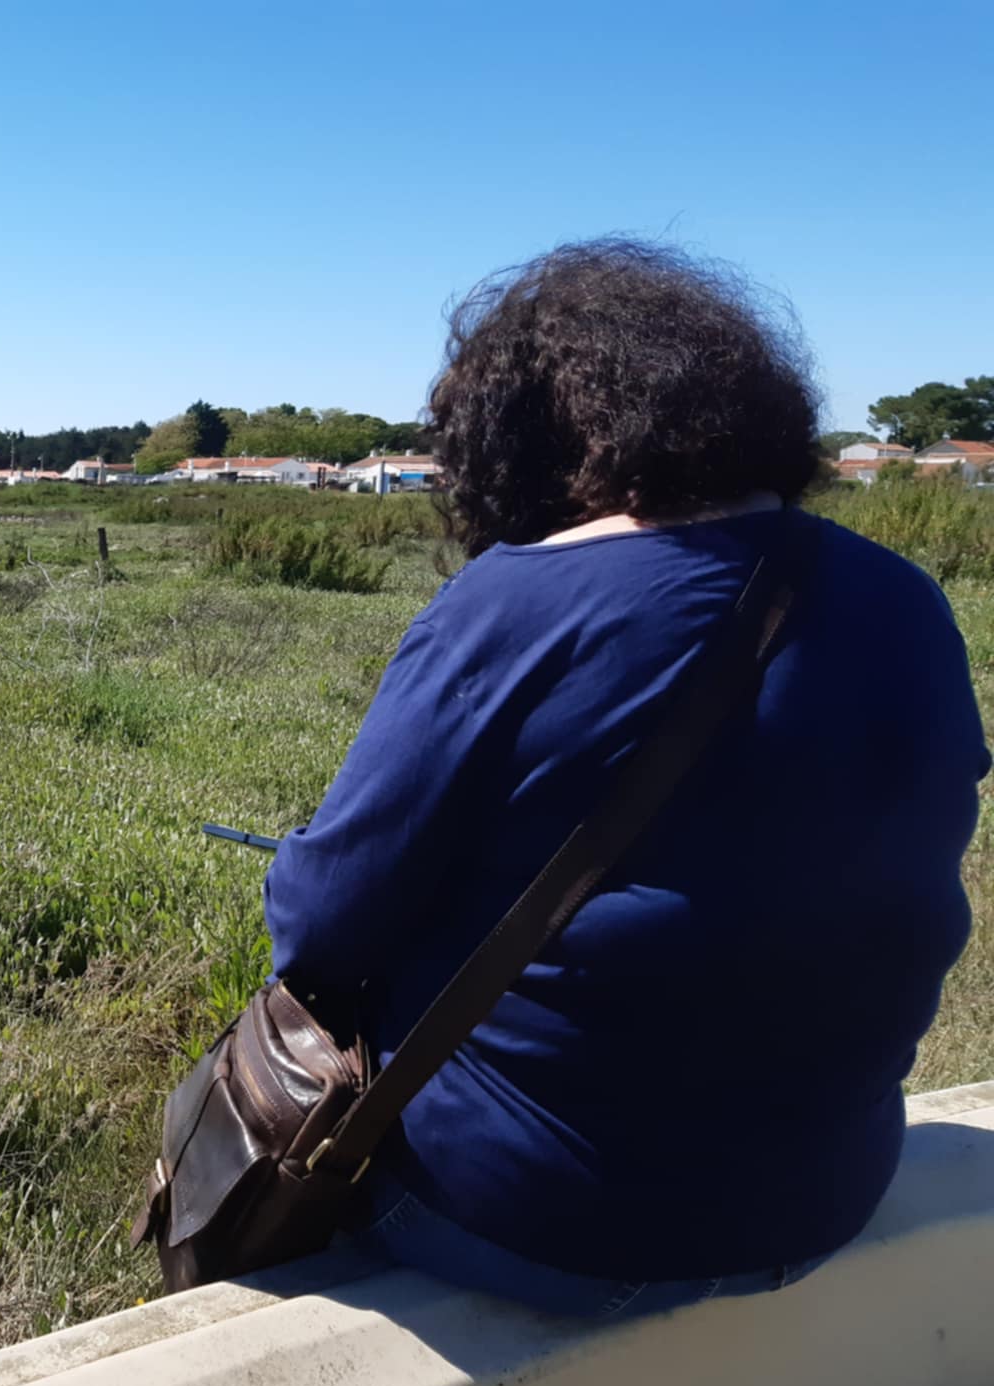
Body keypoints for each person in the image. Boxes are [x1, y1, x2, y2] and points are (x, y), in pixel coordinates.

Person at [263, 239, 988, 1319]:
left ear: (518, 436)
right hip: (831, 1189)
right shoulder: (904, 595)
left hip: (540, 1220)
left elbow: (319, 928)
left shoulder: (513, 602)